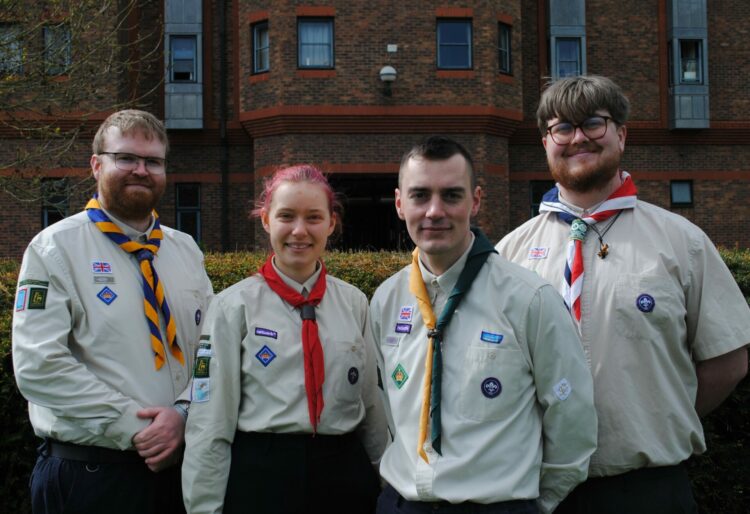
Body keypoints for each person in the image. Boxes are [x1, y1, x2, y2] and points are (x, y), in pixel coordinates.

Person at [496, 75, 750, 513]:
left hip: (646, 491)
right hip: (529, 490)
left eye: (594, 122)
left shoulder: (682, 242)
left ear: (622, 135)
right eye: (562, 127)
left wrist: (658, 415)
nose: (578, 138)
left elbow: (728, 360)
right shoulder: (509, 252)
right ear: (545, 142)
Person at [370, 136, 597, 514]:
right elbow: (385, 411)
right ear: (399, 203)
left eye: (452, 195)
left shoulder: (529, 299)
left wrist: (538, 504)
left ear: (475, 201)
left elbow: (571, 417)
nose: (434, 211)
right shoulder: (385, 301)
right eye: (420, 195)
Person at [12, 109, 213, 514]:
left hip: (181, 471)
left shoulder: (185, 250)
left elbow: (212, 349)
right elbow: (39, 365)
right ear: (96, 164)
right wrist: (140, 429)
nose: (141, 170)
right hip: (91, 475)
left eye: (153, 161)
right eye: (126, 158)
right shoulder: (55, 249)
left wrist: (185, 413)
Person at [182, 164, 386, 514]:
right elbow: (211, 420)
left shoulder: (354, 303)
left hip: (343, 475)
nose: (299, 231)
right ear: (266, 220)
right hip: (262, 476)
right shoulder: (233, 306)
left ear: (331, 223)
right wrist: (204, 506)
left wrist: (387, 483)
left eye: (314, 218)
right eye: (286, 216)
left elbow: (371, 404)